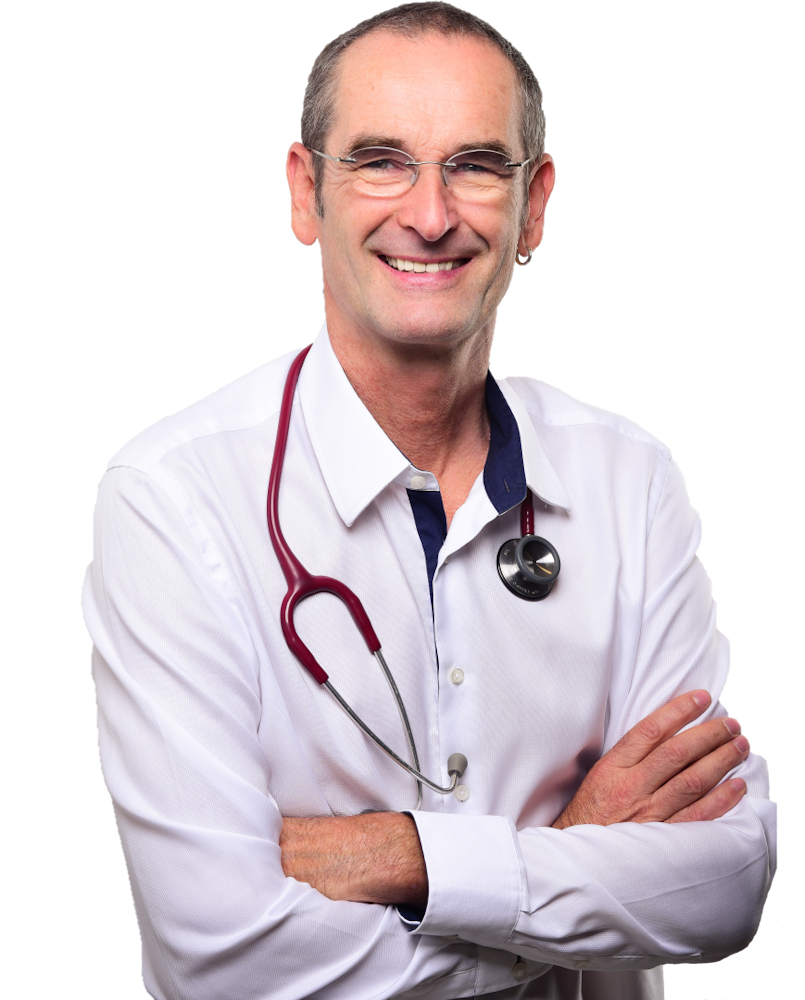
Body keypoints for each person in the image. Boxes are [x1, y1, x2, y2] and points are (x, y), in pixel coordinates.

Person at [83, 4, 776, 998]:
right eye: (381, 161)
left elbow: (724, 886)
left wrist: (405, 856)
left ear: (533, 206)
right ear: (305, 193)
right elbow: (219, 959)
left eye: (476, 166)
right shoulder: (170, 496)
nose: (430, 213)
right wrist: (572, 850)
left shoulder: (629, 478)